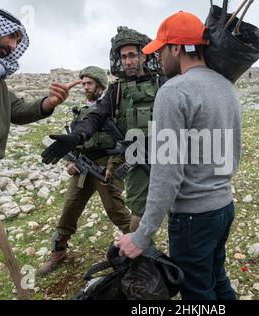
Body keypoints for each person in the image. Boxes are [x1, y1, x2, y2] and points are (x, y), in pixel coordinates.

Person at [114, 11, 242, 300]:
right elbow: (234, 152)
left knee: (197, 293)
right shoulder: (226, 87)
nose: (157, 58)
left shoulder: (174, 91)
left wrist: (142, 235)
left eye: (161, 50)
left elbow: (167, 173)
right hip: (223, 207)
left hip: (193, 218)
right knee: (217, 280)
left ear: (177, 48)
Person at [0, 8, 79, 300]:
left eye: (17, 40)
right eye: (10, 36)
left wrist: (47, 103)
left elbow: (14, 110)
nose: (11, 45)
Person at [41, 27, 164, 232]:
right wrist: (75, 136)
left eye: (132, 55)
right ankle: (142, 258)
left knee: (180, 208)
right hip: (136, 160)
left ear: (144, 55)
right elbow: (97, 116)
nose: (127, 61)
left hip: (166, 155)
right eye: (123, 57)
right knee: (137, 214)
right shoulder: (116, 90)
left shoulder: (163, 82)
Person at [38, 67, 132, 276]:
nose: (85, 87)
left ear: (100, 85)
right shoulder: (81, 111)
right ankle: (59, 251)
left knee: (117, 211)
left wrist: (112, 165)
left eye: (89, 83)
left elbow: (123, 141)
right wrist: (69, 163)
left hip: (106, 166)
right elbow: (73, 140)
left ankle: (141, 249)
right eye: (83, 83)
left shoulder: (111, 110)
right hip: (82, 166)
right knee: (70, 209)